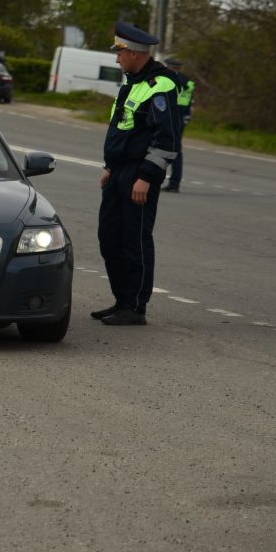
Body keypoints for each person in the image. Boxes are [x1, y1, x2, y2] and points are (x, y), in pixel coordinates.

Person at [92, 21, 179, 326]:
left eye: (120, 53)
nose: (117, 59)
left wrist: (146, 176)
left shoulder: (161, 86)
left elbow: (166, 139)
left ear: (134, 53)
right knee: (109, 237)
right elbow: (122, 128)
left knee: (135, 240)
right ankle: (122, 300)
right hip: (119, 173)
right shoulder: (132, 82)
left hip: (139, 175)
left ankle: (135, 307)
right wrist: (110, 167)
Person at [161, 57, 195, 192]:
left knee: (160, 147)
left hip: (169, 117)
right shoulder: (189, 82)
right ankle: (175, 183)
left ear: (169, 67)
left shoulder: (169, 80)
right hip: (181, 119)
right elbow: (190, 103)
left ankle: (157, 179)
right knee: (176, 151)